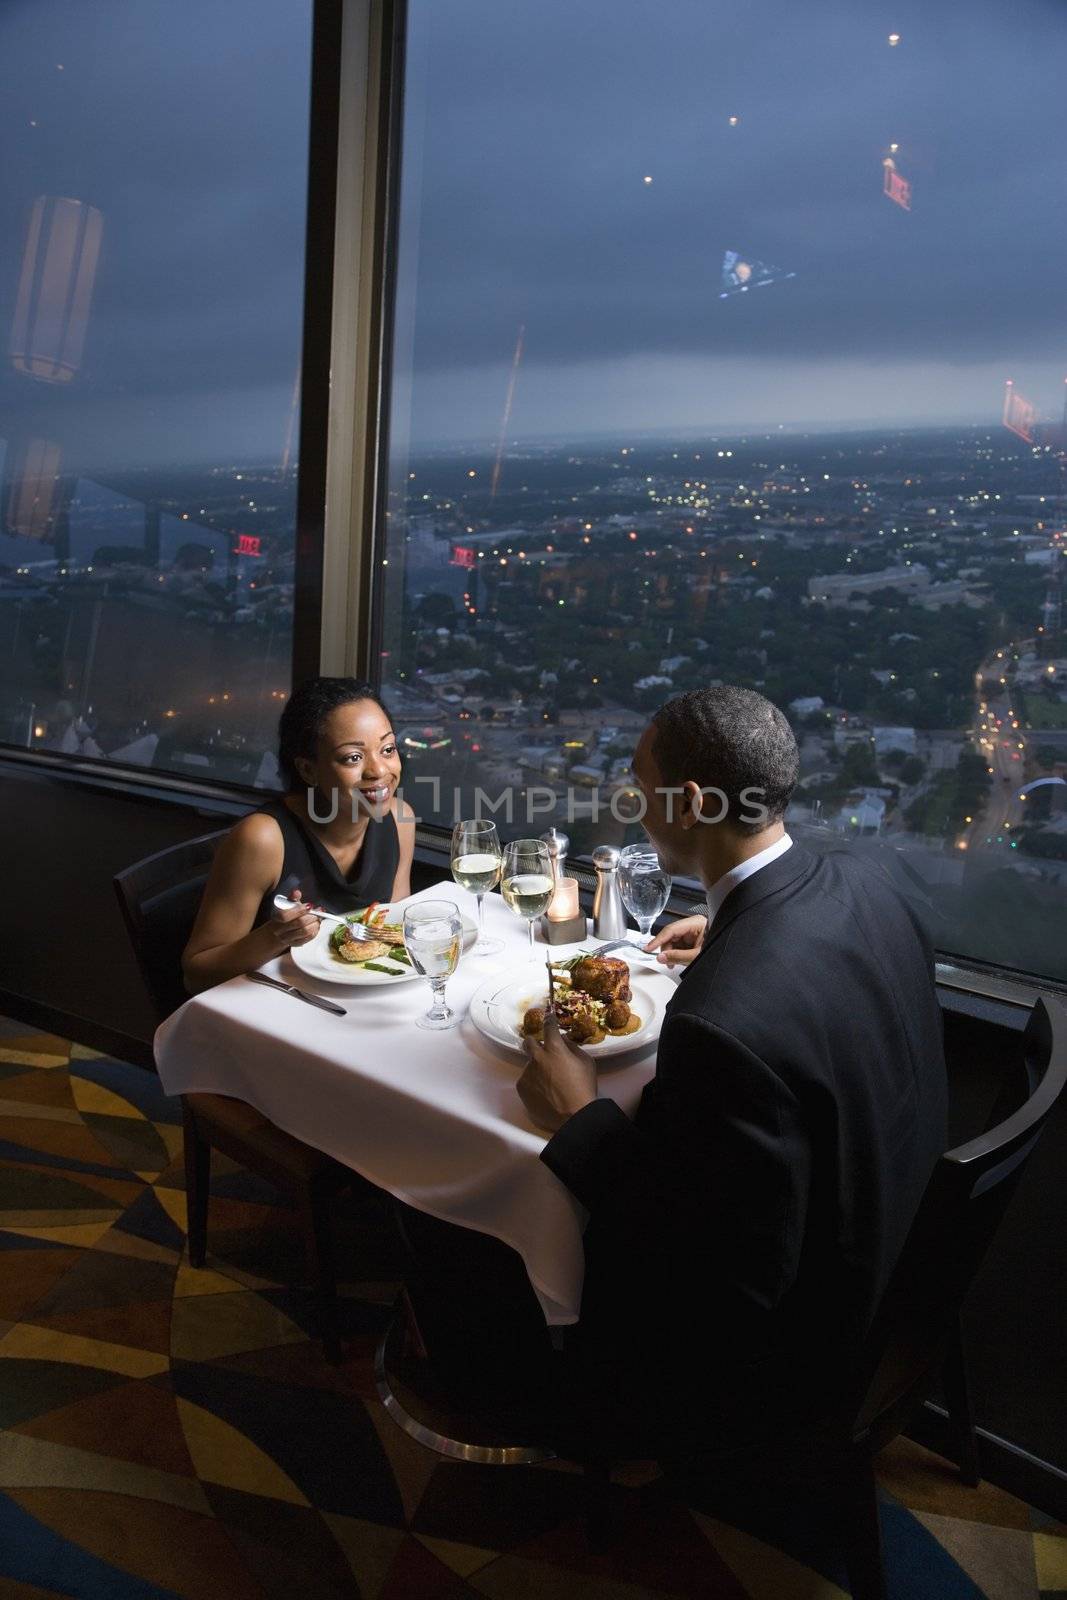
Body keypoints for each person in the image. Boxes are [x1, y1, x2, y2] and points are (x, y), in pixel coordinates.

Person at [518, 684, 948, 1460]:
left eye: (640, 788)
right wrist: (730, 931)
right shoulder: (868, 877)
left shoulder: (719, 1024)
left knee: (508, 1262)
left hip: (802, 1345)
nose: (634, 804)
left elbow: (717, 1276)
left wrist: (579, 1116)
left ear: (686, 805)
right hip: (904, 1243)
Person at [183, 677, 414, 993]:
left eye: (387, 749)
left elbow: (393, 931)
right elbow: (196, 974)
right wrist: (273, 936)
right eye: (353, 757)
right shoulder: (263, 839)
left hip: (356, 999)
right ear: (308, 770)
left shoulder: (401, 821)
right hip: (273, 1009)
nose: (378, 771)